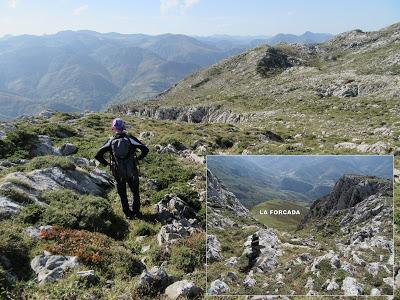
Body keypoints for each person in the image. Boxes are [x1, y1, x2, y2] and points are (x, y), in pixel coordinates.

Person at [95, 118, 149, 218]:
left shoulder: (111, 140)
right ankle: (136, 212)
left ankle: (127, 214)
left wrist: (107, 164)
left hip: (117, 171)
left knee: (122, 194)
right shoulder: (129, 138)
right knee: (135, 192)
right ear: (123, 127)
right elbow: (145, 149)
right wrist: (138, 159)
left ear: (113, 128)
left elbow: (98, 155)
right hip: (131, 170)